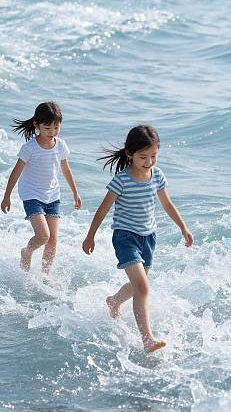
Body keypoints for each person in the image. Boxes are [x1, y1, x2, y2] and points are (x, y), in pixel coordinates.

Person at [82, 125, 193, 353]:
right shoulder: (121, 180)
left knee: (138, 287)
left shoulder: (157, 175)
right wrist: (90, 236)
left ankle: (113, 301)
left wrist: (183, 227)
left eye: (153, 156)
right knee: (143, 287)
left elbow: (167, 204)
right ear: (129, 154)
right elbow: (102, 210)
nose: (149, 161)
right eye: (143, 157)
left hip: (148, 237)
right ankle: (147, 339)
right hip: (125, 237)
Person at [1, 102, 82, 274]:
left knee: (52, 240)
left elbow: (66, 170)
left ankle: (45, 276)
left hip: (52, 196)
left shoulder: (60, 145)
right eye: (47, 128)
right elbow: (16, 172)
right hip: (31, 195)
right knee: (43, 236)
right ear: (36, 125)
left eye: (56, 127)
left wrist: (75, 193)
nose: (52, 132)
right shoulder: (29, 148)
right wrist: (6, 196)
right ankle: (27, 251)